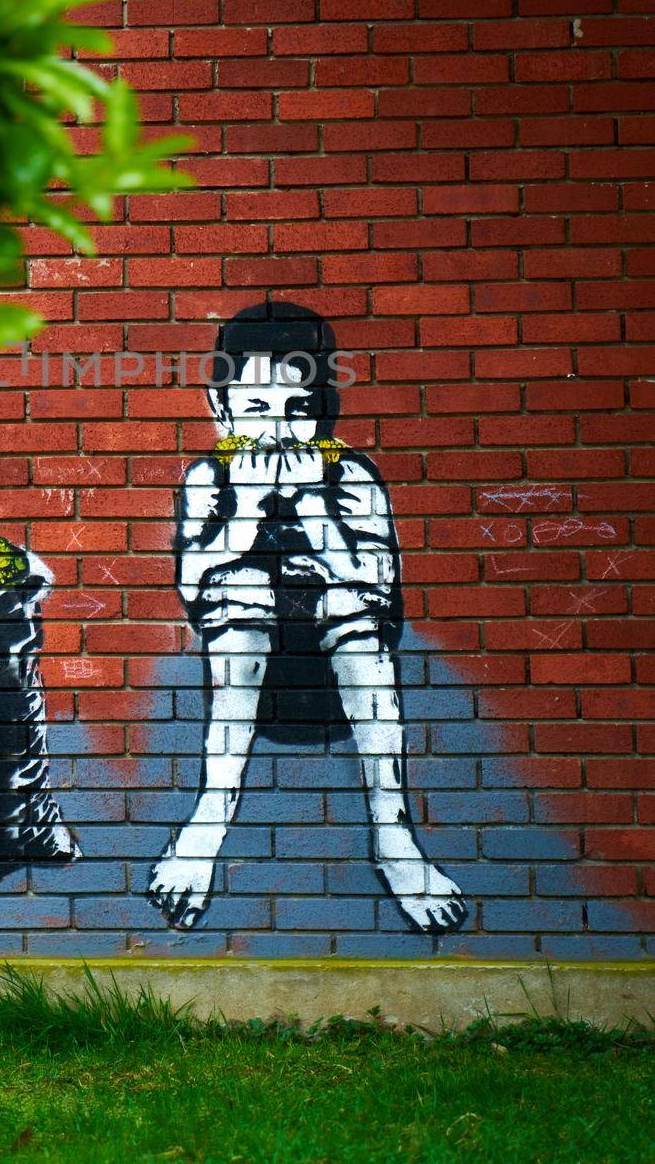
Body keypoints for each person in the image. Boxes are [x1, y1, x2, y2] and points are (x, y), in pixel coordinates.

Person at [148, 300, 467, 934]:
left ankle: (394, 834)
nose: (278, 432)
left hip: (341, 661)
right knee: (240, 598)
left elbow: (379, 584)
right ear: (221, 412)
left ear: (323, 415)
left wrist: (313, 507)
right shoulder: (209, 478)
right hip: (248, 661)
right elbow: (193, 584)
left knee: (352, 608)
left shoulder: (350, 474)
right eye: (257, 411)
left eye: (296, 412)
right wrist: (245, 508)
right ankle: (207, 823)